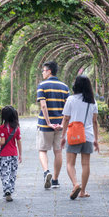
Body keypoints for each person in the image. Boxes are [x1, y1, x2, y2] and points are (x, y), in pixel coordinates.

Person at [60, 75, 99, 200]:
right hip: (87, 135)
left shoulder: (71, 99)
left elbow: (66, 118)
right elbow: (94, 122)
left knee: (70, 163)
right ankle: (82, 191)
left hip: (73, 134)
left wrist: (62, 136)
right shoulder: (92, 101)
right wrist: (96, 139)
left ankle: (75, 184)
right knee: (85, 164)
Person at [36, 61, 69, 189]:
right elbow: (67, 108)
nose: (43, 73)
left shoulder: (42, 85)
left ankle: (46, 172)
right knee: (58, 151)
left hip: (45, 125)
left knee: (42, 150)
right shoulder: (64, 87)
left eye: (44, 70)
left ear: (49, 71)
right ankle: (55, 180)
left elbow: (43, 105)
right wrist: (61, 123)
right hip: (60, 125)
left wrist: (48, 122)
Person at [0, 106, 22, 202]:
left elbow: (2, 141)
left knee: (4, 172)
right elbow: (19, 142)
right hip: (14, 154)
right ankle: (11, 189)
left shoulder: (2, 128)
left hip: (4, 155)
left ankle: (7, 189)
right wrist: (20, 154)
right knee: (13, 173)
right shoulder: (16, 128)